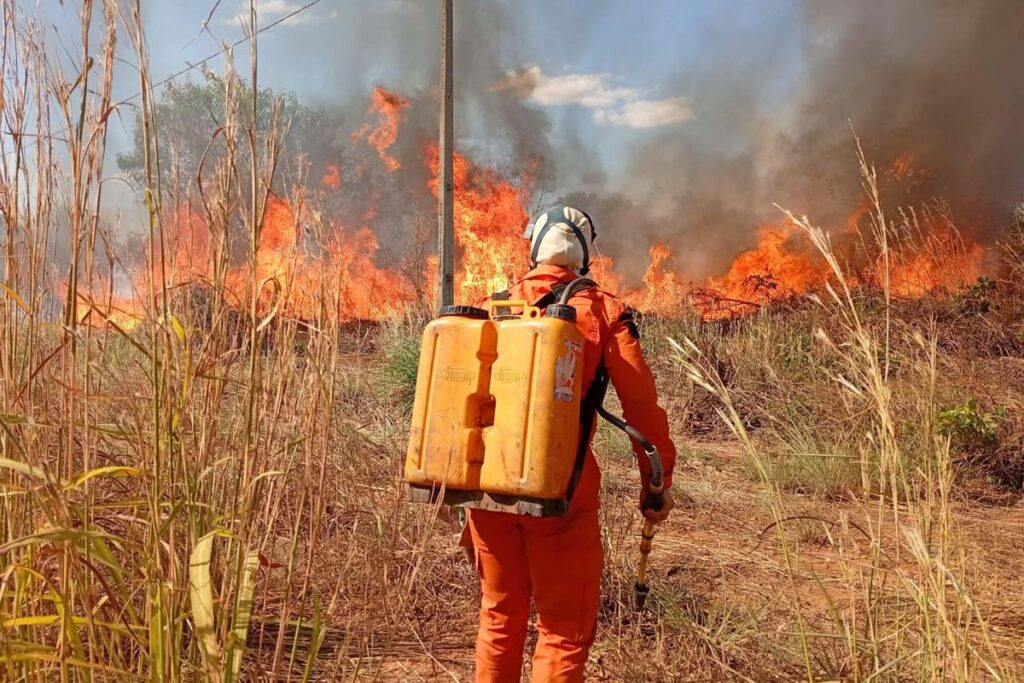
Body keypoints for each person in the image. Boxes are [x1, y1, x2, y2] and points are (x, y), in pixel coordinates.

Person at [466, 205, 677, 682]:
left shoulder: (491, 304)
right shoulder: (603, 309)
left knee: (499, 619)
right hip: (562, 492)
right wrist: (656, 485)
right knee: (562, 629)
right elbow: (642, 411)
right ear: (583, 254)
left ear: (534, 246)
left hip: (486, 490)